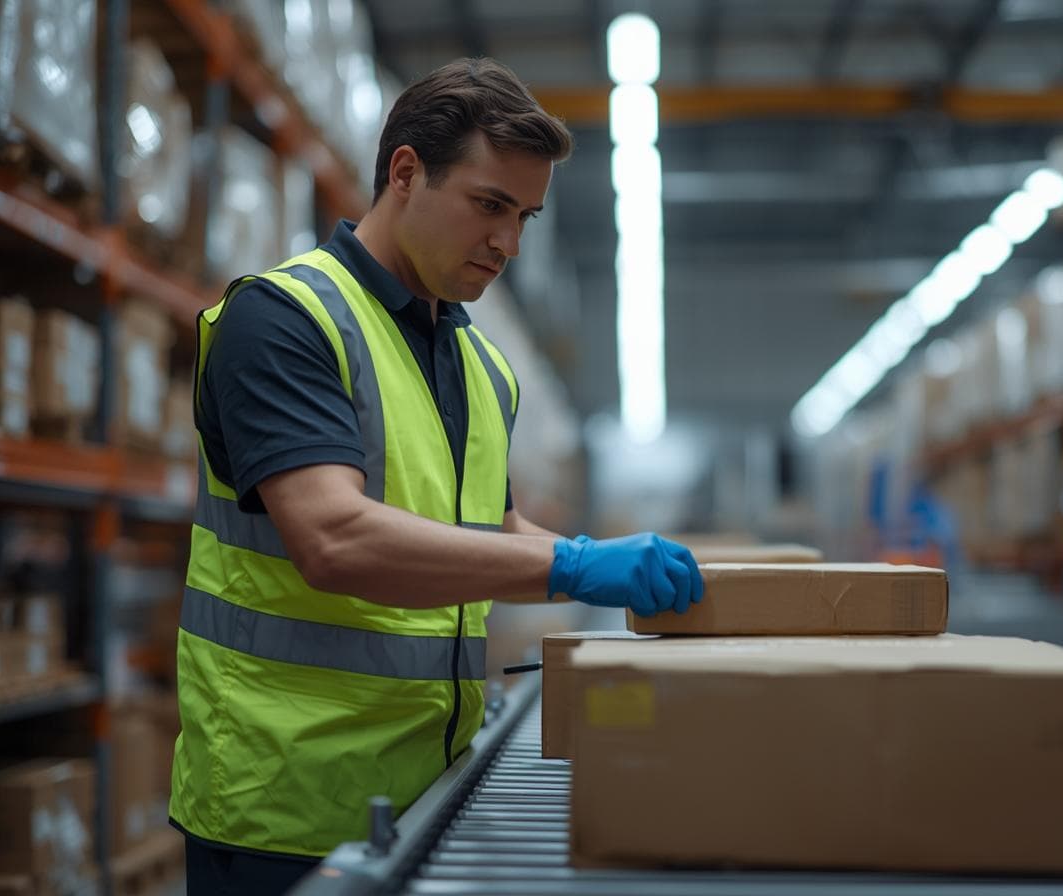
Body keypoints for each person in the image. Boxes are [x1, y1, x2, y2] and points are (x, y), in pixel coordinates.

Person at [168, 58, 705, 895]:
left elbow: (485, 530)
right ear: (406, 173)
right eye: (490, 205)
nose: (509, 243)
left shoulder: (482, 367)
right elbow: (333, 539)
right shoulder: (283, 320)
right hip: (285, 811)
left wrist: (589, 554)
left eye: (525, 215)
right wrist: (572, 568)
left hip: (427, 792)